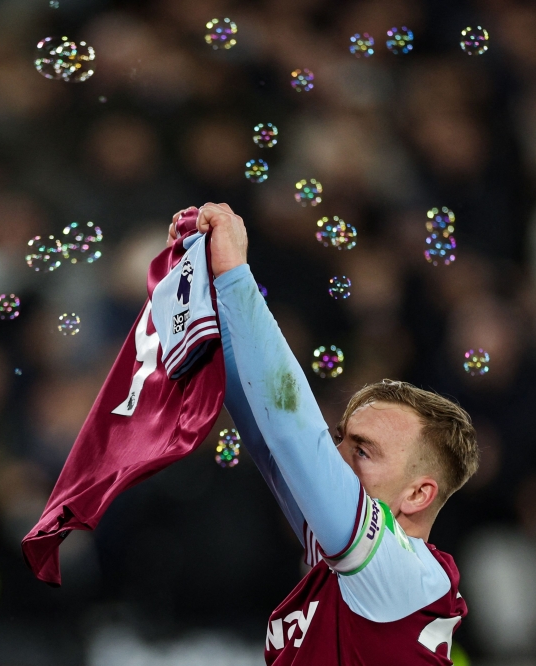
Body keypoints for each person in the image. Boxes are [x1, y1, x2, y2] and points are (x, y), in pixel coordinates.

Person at [172, 203, 479, 664]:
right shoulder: (349, 558)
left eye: (364, 451)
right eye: (340, 438)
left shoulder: (396, 570)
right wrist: (200, 286)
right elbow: (264, 432)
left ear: (418, 494)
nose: (335, 455)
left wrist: (236, 274)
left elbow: (294, 435)